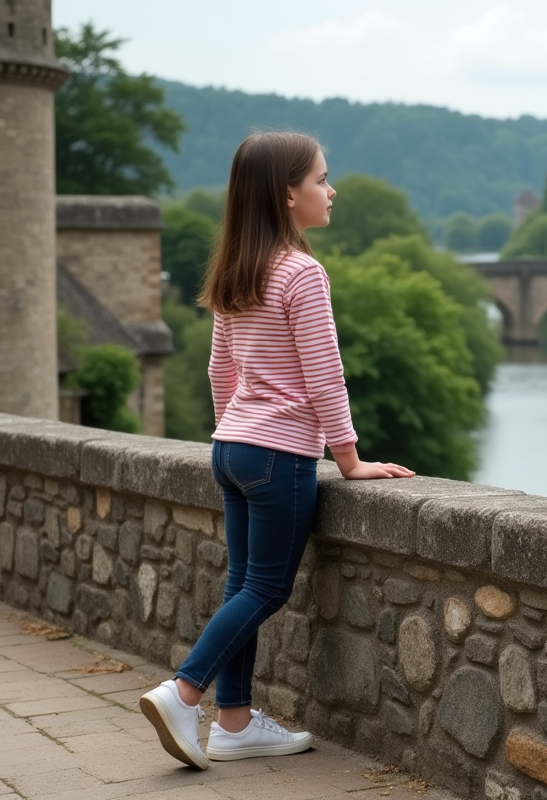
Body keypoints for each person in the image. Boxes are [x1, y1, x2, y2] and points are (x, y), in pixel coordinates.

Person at [138, 132, 414, 770]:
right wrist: (348, 459)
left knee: (241, 583)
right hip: (278, 455)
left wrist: (236, 427)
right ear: (288, 194)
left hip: (231, 448)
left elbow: (217, 370)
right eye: (322, 179)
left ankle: (234, 724)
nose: (332, 189)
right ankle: (184, 692)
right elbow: (324, 377)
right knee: (265, 588)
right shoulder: (300, 272)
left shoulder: (239, 269)